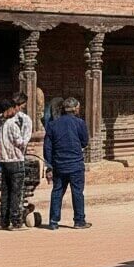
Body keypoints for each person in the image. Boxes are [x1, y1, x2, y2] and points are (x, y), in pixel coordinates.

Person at [44, 97, 90, 230]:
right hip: (75, 164)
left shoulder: (52, 125)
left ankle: (53, 221)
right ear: (75, 109)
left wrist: (50, 165)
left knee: (57, 191)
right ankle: (79, 221)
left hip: (59, 164)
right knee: (77, 192)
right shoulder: (79, 123)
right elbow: (84, 141)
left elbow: (48, 147)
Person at [0, 97, 29, 230]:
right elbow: (20, 142)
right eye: (13, 108)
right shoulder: (12, 125)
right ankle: (16, 222)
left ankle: (4, 221)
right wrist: (25, 140)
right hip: (15, 161)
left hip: (3, 162)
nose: (15, 110)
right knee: (16, 193)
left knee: (5, 193)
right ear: (8, 109)